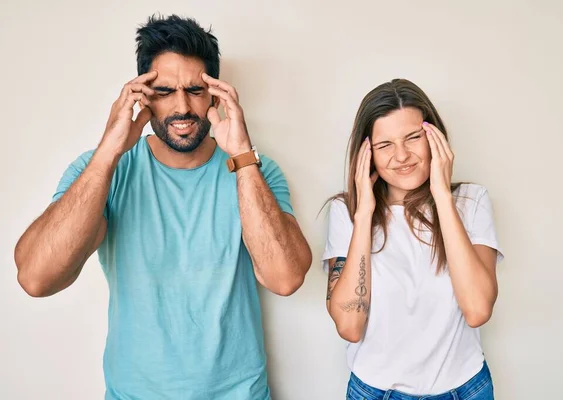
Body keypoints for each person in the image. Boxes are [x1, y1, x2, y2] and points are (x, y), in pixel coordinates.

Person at [14, 14, 312, 400]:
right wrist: (109, 150)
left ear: (216, 96)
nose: (182, 106)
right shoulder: (104, 170)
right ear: (141, 96)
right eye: (165, 91)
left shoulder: (253, 169)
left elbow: (285, 279)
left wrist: (242, 155)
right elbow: (36, 279)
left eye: (194, 89)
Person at [322, 78, 503, 400]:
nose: (402, 156)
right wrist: (364, 216)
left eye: (413, 138)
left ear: (435, 139)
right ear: (367, 153)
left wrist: (441, 196)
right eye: (385, 145)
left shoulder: (470, 201)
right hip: (375, 392)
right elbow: (349, 326)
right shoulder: (346, 212)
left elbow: (477, 310)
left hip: (465, 389)